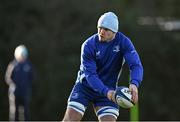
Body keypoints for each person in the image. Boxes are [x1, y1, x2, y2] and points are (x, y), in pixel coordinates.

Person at [62, 12, 143, 121]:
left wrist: (134, 84)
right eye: (99, 28)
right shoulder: (88, 45)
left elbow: (136, 65)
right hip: (85, 87)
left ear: (114, 31)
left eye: (106, 29)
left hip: (109, 88)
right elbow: (91, 75)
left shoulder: (124, 42)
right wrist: (106, 92)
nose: (101, 32)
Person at [5, 45, 33, 121]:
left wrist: (25, 86)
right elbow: (8, 78)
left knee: (25, 112)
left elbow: (31, 77)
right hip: (14, 93)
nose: (22, 56)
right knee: (14, 112)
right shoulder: (13, 65)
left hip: (24, 92)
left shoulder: (28, 65)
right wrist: (14, 86)